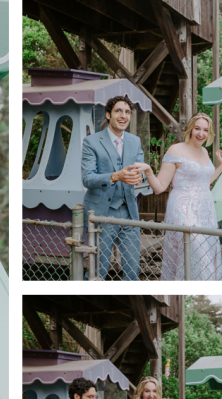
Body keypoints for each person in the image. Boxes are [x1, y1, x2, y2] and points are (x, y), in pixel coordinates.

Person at [134, 113, 222, 281]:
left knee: (205, 251)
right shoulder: (176, 150)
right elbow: (160, 187)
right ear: (190, 129)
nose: (201, 134)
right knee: (193, 247)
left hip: (206, 211)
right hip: (183, 208)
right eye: (197, 128)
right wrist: (148, 171)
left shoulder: (205, 151)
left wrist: (220, 167)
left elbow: (204, 182)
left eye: (205, 130)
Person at [81, 95, 146, 281]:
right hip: (102, 213)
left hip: (129, 212)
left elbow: (139, 171)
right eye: (118, 111)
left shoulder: (135, 141)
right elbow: (87, 178)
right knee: (98, 270)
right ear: (108, 115)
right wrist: (115, 176)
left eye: (127, 112)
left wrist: (137, 176)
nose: (123, 115)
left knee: (133, 271)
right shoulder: (91, 142)